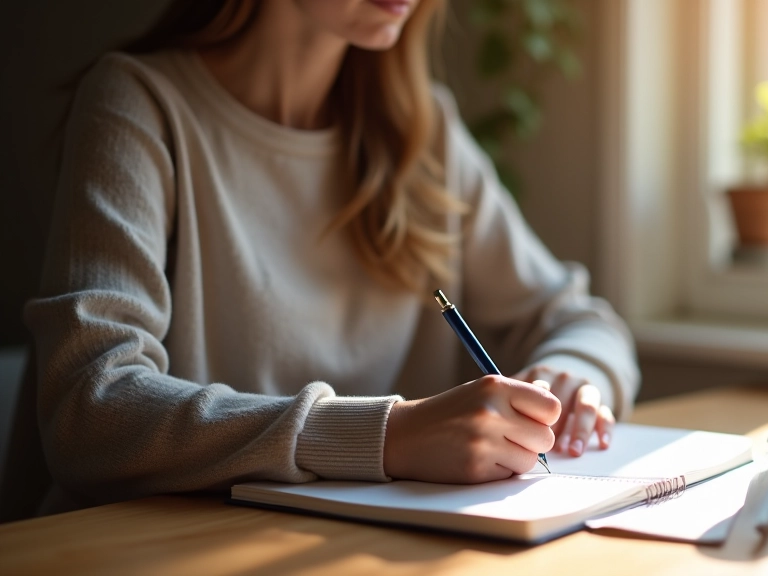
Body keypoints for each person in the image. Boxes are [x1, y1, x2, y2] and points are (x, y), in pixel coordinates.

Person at [22, 0, 639, 514]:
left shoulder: (422, 132)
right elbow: (88, 408)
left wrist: (572, 374)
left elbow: (585, 322)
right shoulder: (139, 104)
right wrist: (388, 437)